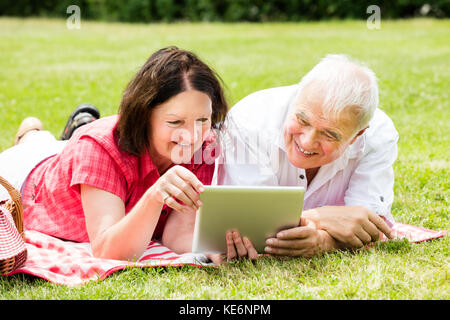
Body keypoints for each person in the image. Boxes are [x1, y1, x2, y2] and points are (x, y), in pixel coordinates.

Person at [0, 46, 228, 261]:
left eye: (202, 120)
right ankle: (30, 134)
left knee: (70, 144)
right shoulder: (98, 148)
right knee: (40, 144)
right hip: (27, 175)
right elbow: (108, 250)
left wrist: (218, 250)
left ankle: (77, 127)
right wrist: (155, 194)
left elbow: (178, 233)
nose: (192, 136)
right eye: (175, 121)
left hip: (77, 154)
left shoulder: (203, 148)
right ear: (143, 116)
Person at [164, 54, 399, 261]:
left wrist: (324, 242)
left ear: (358, 134)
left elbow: (370, 227)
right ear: (296, 98)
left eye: (329, 134)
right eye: (302, 120)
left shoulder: (378, 133)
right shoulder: (251, 120)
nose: (306, 142)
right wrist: (323, 218)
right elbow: (253, 224)